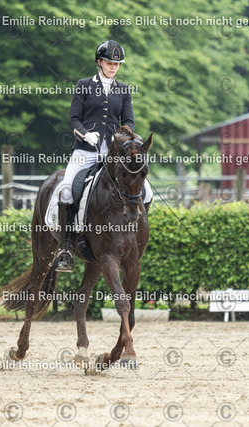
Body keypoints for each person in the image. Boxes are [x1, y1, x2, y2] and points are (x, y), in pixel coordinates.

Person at [55, 40, 153, 272]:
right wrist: (86, 134)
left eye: (117, 64)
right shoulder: (84, 85)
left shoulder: (123, 90)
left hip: (113, 154)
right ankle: (66, 248)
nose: (113, 68)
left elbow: (128, 122)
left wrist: (123, 138)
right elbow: (74, 119)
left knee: (147, 192)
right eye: (109, 63)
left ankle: (134, 237)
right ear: (99, 62)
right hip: (85, 151)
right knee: (67, 190)